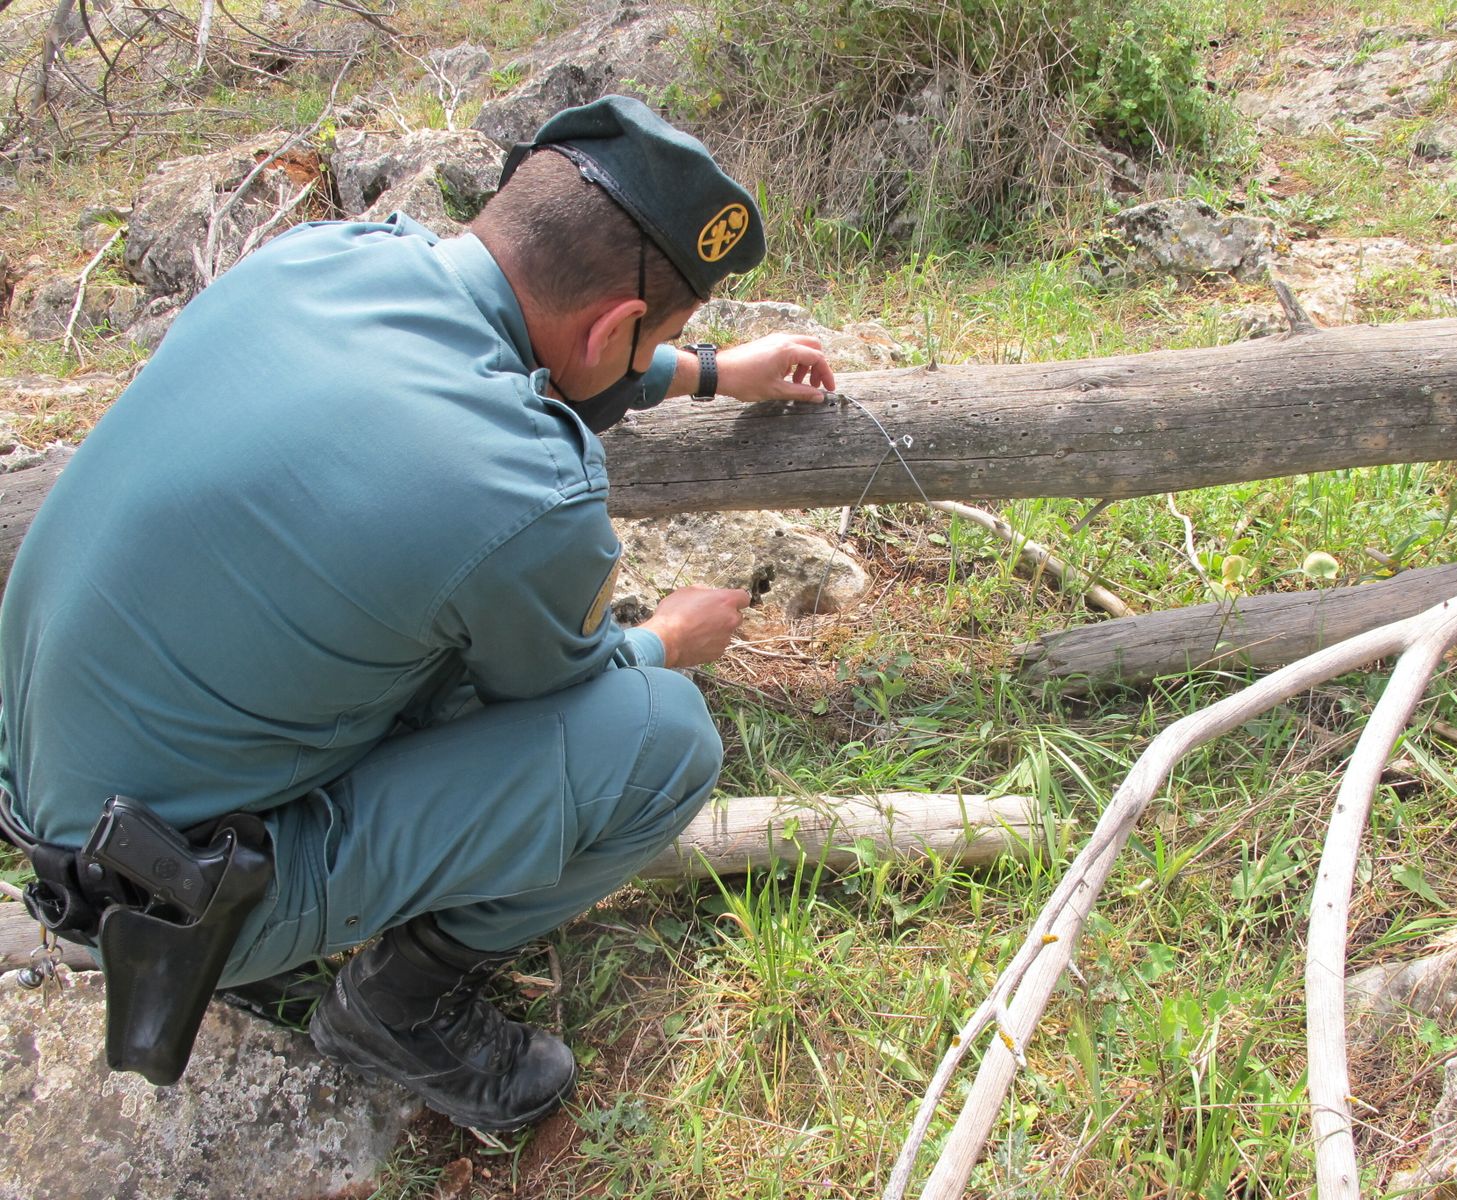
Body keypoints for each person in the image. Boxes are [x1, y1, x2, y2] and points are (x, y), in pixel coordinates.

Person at [0, 96, 835, 1130]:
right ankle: (396, 1007)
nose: (660, 350)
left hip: (60, 803)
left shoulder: (325, 259)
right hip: (179, 896)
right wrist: (667, 640)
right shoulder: (527, 494)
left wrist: (705, 371)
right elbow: (563, 699)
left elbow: (526, 337)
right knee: (658, 740)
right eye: (660, 334)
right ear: (617, 326)